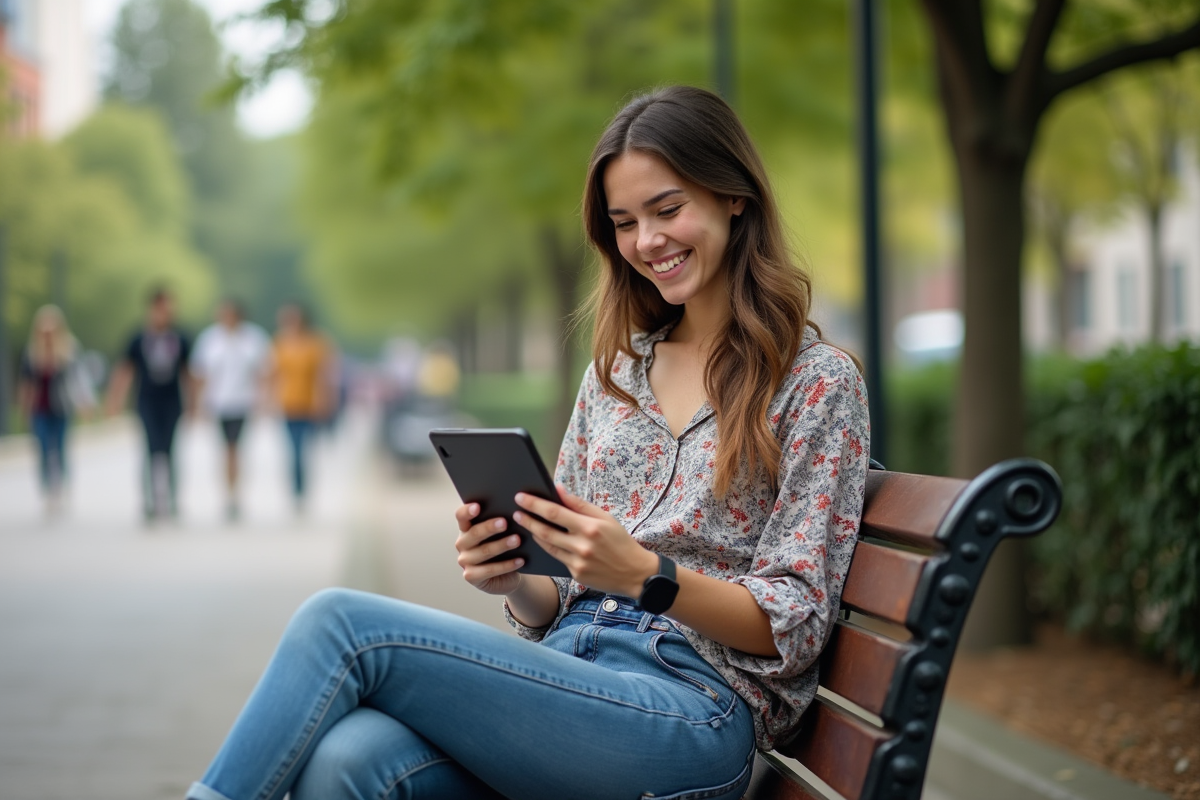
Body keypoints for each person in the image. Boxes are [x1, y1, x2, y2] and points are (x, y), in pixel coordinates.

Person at [185, 86, 870, 800]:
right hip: (574, 676)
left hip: (691, 708)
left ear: (733, 197)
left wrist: (648, 576)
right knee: (348, 759)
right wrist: (513, 577)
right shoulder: (615, 375)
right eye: (625, 223)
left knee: (339, 623)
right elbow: (557, 595)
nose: (646, 241)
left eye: (668, 210)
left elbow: (795, 624)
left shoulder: (815, 383)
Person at [106, 288, 192, 521]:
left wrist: (194, 403)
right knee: (149, 450)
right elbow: (125, 370)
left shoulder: (180, 337)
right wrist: (115, 400)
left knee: (171, 450)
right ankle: (149, 501)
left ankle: (172, 500)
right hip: (147, 401)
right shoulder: (139, 338)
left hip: (172, 402)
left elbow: (188, 372)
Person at [189, 299, 272, 521]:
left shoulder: (254, 338)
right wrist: (196, 403)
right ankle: (228, 494)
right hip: (218, 403)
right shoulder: (209, 339)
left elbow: (263, 372)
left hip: (243, 402)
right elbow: (200, 374)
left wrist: (264, 400)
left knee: (235, 449)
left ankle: (235, 495)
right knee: (226, 450)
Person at [18, 305, 95, 514]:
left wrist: (85, 403)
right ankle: (47, 490)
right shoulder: (32, 353)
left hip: (61, 408)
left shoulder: (69, 349)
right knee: (43, 448)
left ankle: (62, 487)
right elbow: (27, 384)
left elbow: (78, 379)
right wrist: (24, 408)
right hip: (40, 409)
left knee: (60, 449)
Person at [270, 303, 335, 510]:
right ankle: (296, 490)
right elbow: (274, 374)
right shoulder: (280, 342)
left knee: (303, 450)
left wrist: (324, 400)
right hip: (288, 404)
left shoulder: (315, 343)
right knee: (292, 450)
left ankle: (301, 489)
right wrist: (269, 399)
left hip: (310, 405)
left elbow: (324, 375)